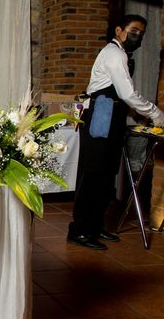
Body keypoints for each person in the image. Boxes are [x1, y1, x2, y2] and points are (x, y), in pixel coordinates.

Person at [69, 14, 164, 250]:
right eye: (133, 30)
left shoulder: (122, 54)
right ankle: (80, 230)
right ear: (119, 30)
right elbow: (127, 93)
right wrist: (156, 113)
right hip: (100, 117)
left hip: (112, 117)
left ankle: (95, 226)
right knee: (92, 175)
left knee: (107, 175)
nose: (137, 36)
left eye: (141, 33)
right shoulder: (115, 54)